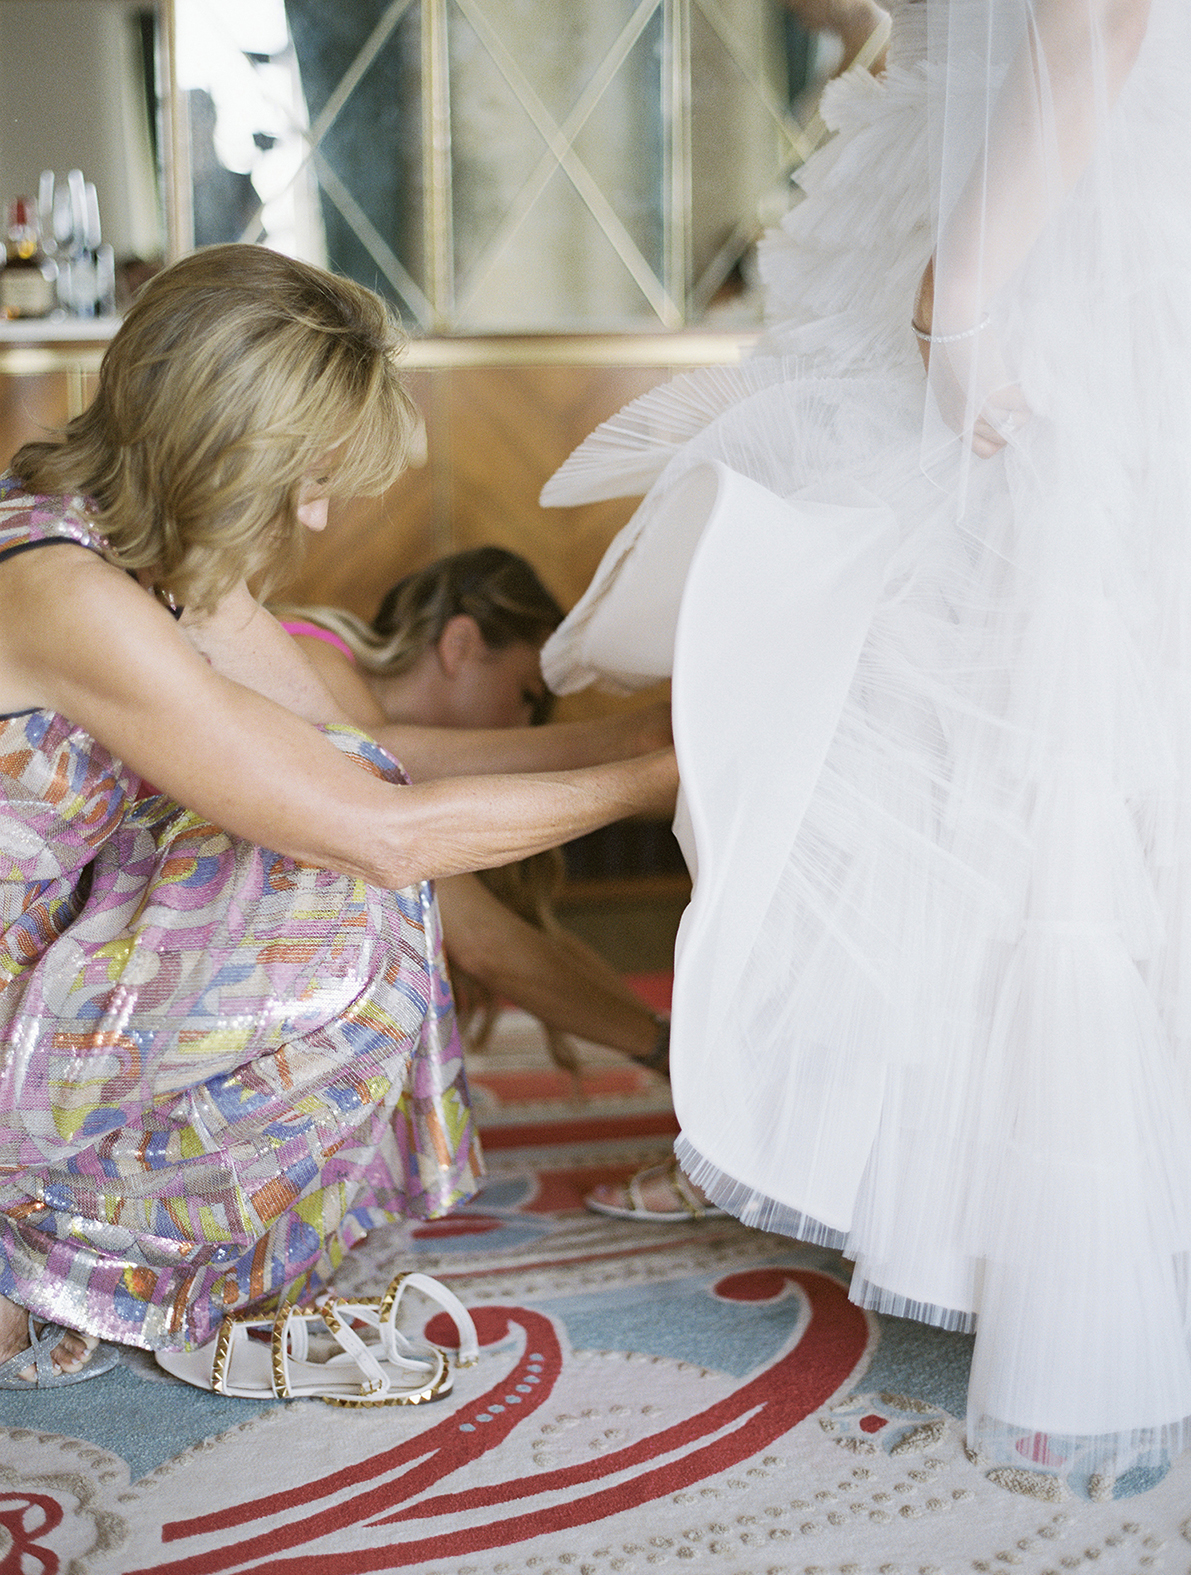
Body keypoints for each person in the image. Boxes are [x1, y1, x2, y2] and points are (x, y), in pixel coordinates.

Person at [541, 0, 1191, 1487]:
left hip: (1027, 241)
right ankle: (1002, 1203)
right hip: (1003, 189)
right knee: (984, 731)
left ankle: (1058, 1238)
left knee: (1010, 721)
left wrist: (958, 296)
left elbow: (1099, 19)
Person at [0, 242, 676, 1392]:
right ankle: (47, 1250)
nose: (316, 516)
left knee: (348, 826)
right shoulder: (68, 591)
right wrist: (655, 785)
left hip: (46, 972)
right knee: (353, 896)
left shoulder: (143, 554)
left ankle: (84, 1237)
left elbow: (373, 752)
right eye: (308, 478)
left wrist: (655, 733)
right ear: (228, 446)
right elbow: (381, 832)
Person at [278, 548, 670, 1073]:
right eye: (525, 695)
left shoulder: (405, 788)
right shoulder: (311, 649)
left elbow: (518, 936)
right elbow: (485, 942)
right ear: (459, 644)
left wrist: (661, 1037)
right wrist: (626, 744)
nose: (523, 727)